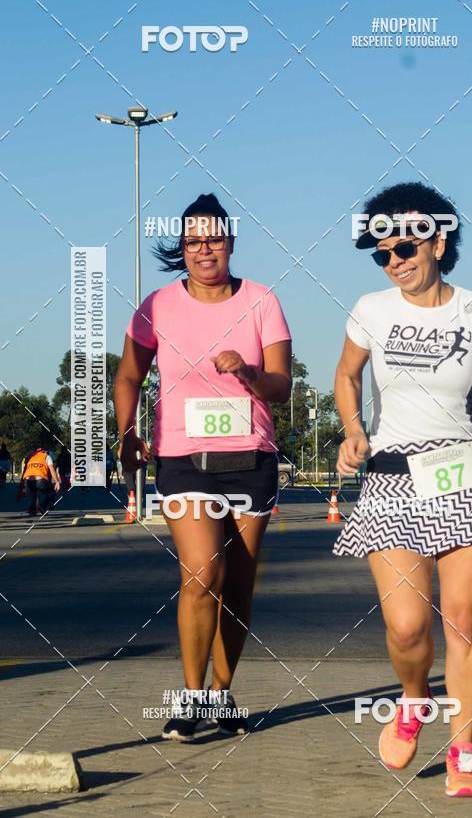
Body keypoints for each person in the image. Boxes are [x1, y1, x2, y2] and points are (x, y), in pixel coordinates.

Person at [333, 182, 472, 797]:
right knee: (406, 629)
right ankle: (411, 698)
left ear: (438, 238)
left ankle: (463, 753)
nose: (395, 260)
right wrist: (353, 430)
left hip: (461, 475)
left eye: (404, 245)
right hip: (392, 483)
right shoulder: (371, 310)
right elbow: (346, 376)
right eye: (382, 254)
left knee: (463, 618)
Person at [114, 193, 291, 742]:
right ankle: (191, 698)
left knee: (238, 585)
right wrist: (126, 433)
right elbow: (128, 376)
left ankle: (223, 692)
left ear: (231, 243)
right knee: (200, 576)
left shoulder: (262, 301)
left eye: (214, 239)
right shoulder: (156, 307)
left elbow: (282, 387)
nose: (204, 249)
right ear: (183, 247)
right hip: (183, 458)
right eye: (193, 241)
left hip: (250, 458)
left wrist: (249, 375)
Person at [21, 446, 61, 516]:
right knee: (52, 491)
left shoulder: (31, 456)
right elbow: (52, 470)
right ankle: (43, 506)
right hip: (40, 478)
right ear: (44, 451)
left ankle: (32, 509)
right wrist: (57, 482)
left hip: (27, 480)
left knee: (33, 494)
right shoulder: (46, 456)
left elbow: (25, 469)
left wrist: (23, 483)